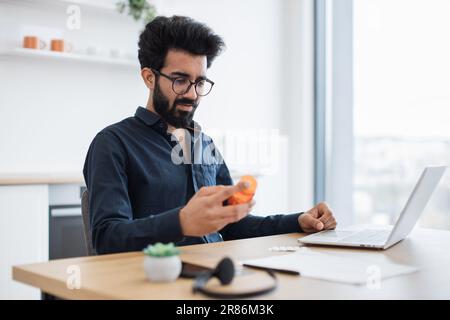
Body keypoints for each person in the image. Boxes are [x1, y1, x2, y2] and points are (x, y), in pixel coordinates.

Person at [83, 15, 337, 254]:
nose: (193, 94)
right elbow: (107, 238)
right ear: (149, 78)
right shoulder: (112, 144)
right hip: (157, 281)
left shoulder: (202, 144)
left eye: (200, 82)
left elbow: (231, 224)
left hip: (215, 273)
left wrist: (296, 221)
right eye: (180, 80)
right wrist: (180, 223)